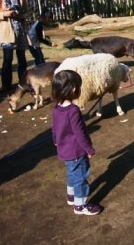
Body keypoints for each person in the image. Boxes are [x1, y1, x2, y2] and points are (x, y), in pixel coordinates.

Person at [51, 70, 103, 216]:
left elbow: (54, 128)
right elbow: (80, 133)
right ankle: (80, 205)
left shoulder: (56, 108)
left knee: (71, 172)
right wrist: (89, 149)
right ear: (75, 90)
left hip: (64, 149)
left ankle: (71, 196)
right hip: (76, 151)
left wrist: (56, 141)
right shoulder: (73, 110)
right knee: (81, 177)